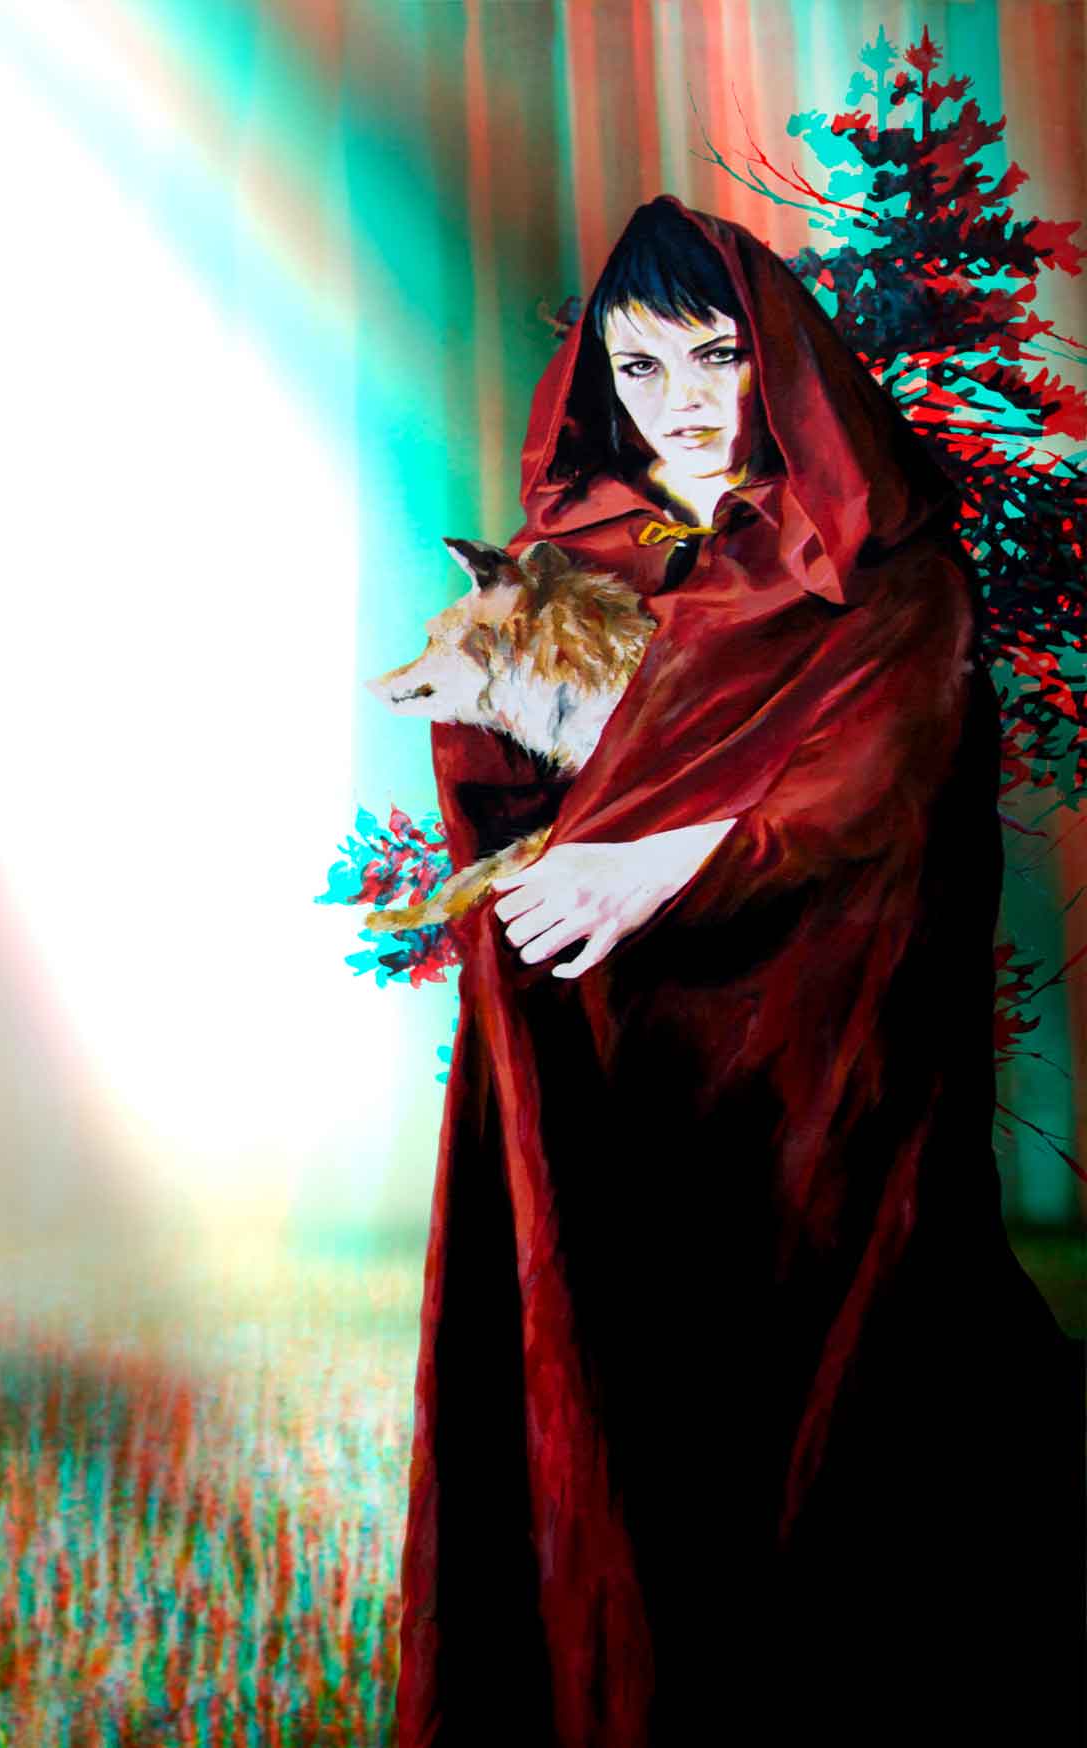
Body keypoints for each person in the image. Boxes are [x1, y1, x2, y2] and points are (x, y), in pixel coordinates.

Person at [393, 195, 1085, 1748]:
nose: (683, 400)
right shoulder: (570, 563)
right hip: (615, 1075)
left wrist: (672, 857)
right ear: (601, 383)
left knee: (834, 1433)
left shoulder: (884, 568)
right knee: (628, 1409)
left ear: (773, 355)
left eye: (714, 356)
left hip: (811, 1088)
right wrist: (496, 716)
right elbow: (510, 808)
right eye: (641, 369)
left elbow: (878, 800)